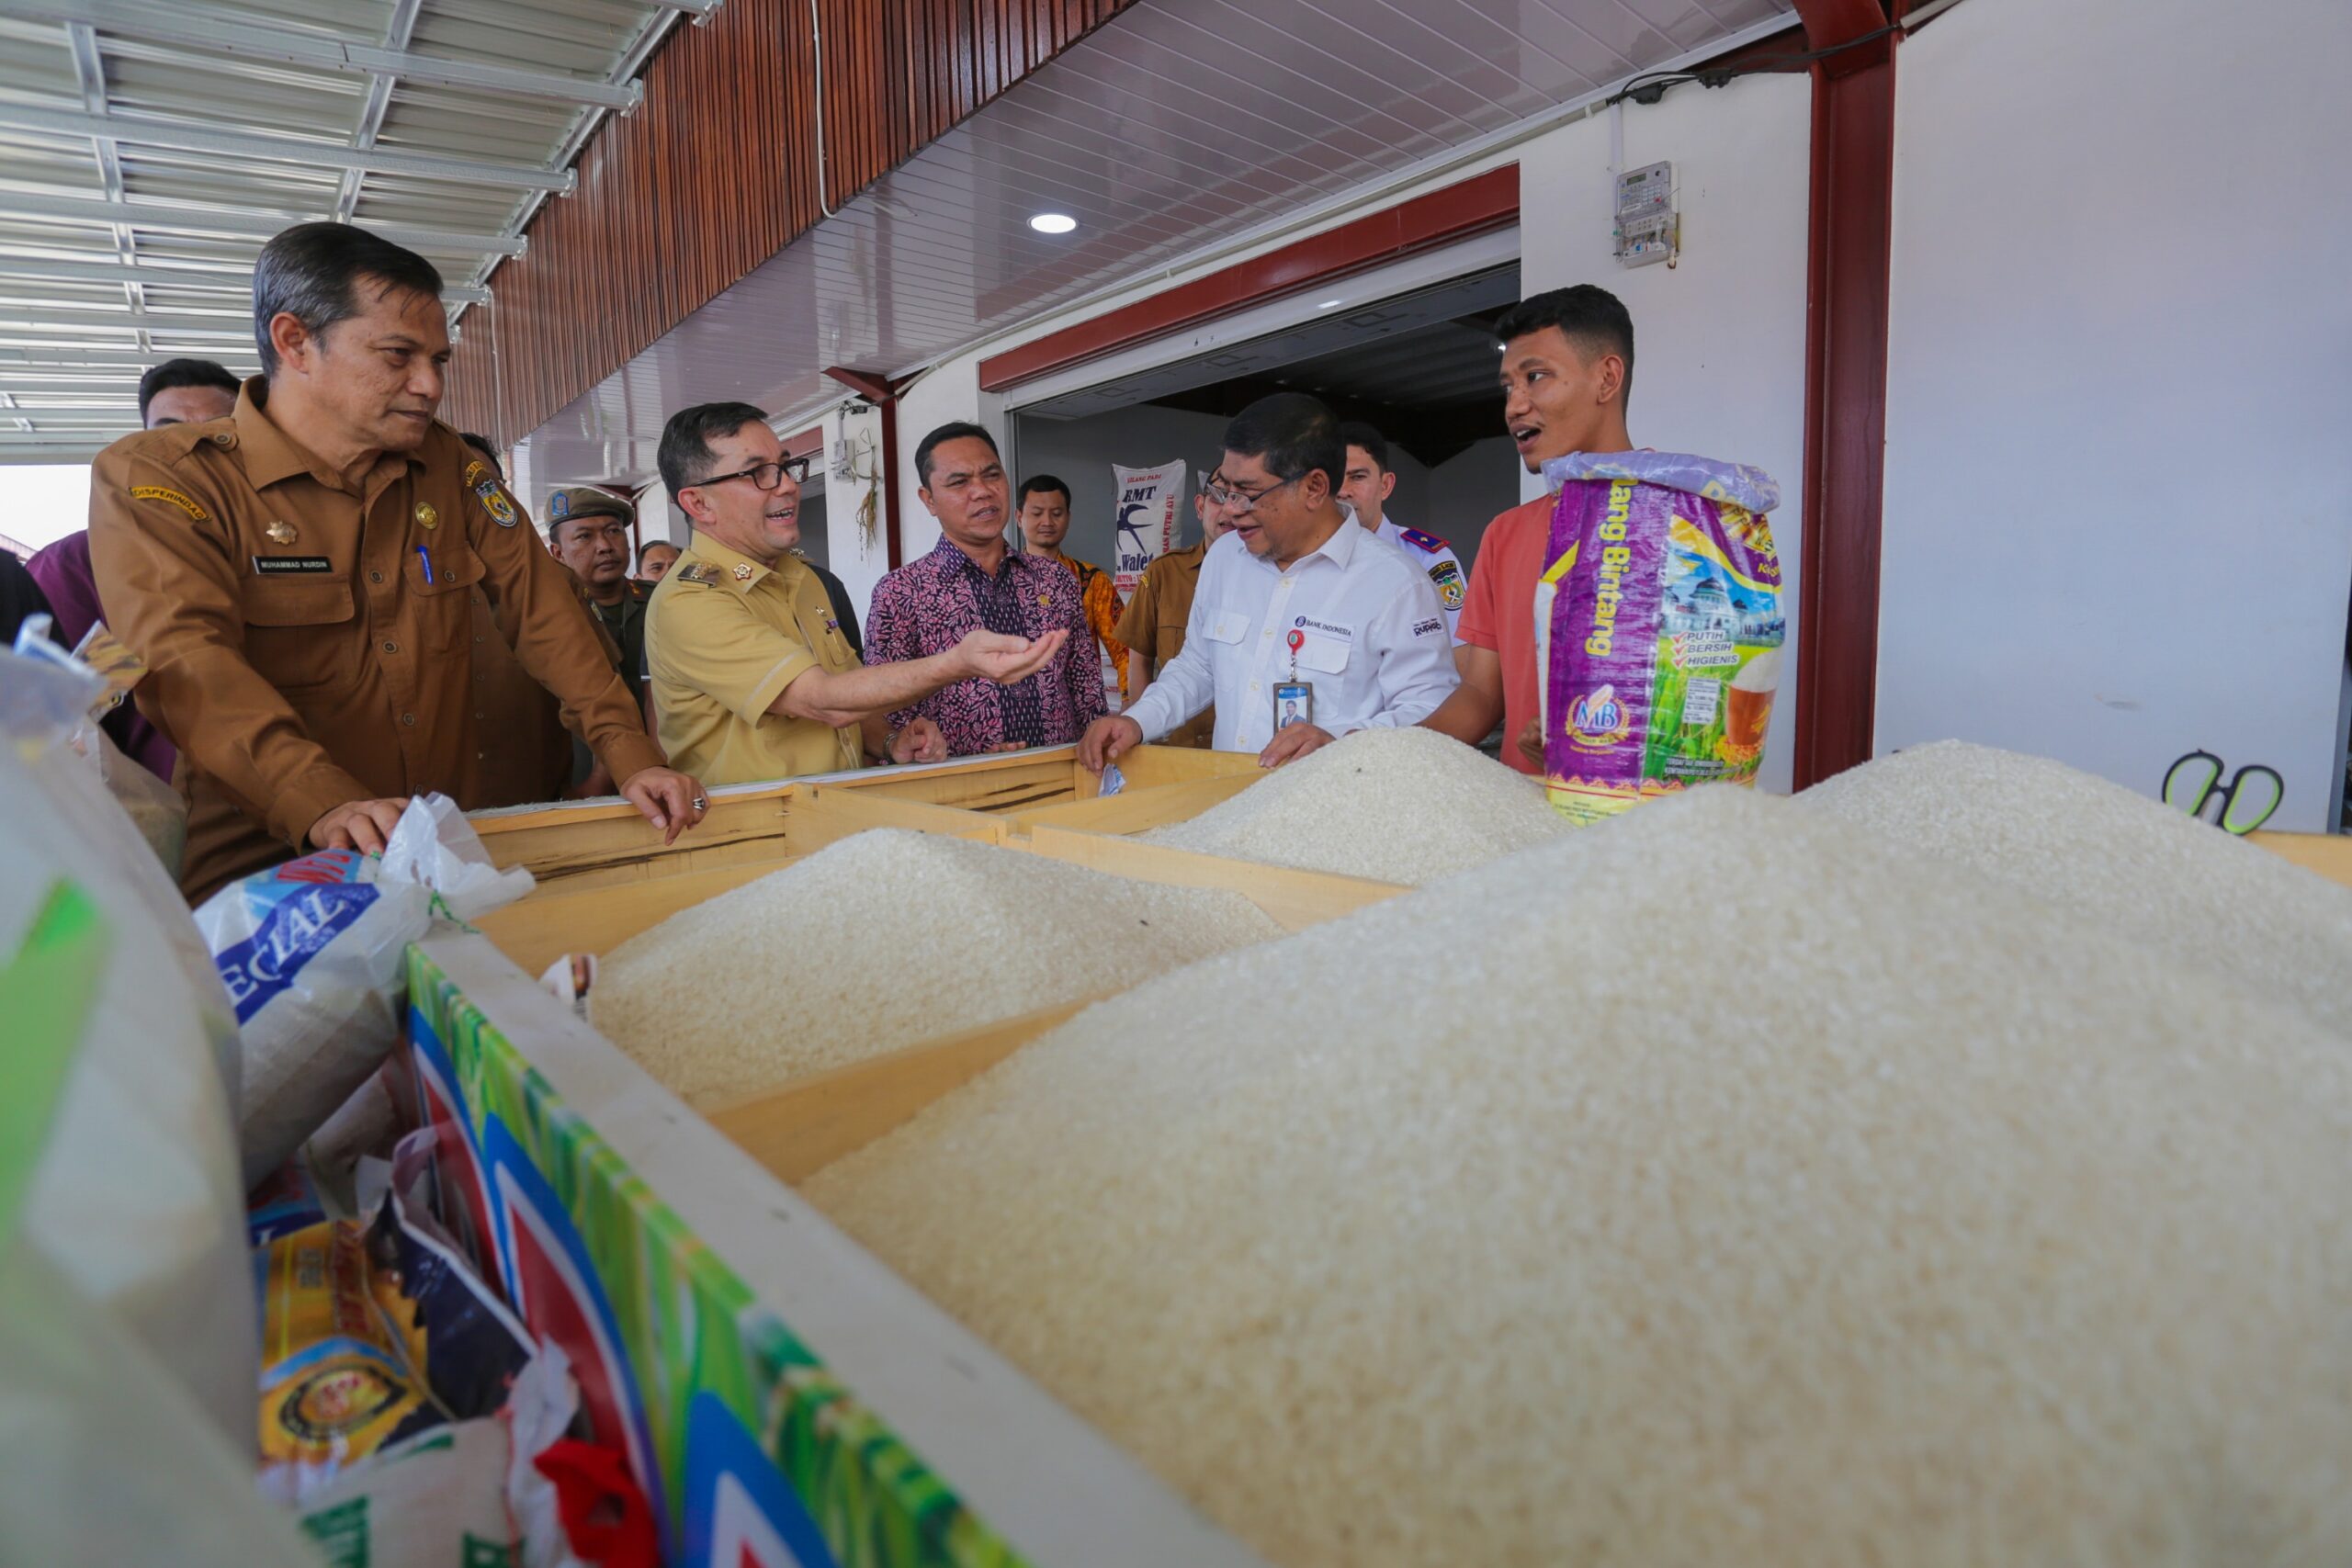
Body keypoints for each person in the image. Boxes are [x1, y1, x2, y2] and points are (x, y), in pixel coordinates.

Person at [87, 221, 704, 901]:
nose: (429, 385)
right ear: (295, 342)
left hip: (438, 851)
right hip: (268, 868)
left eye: (438, 360)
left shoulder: (449, 466)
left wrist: (629, 751)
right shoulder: (164, 479)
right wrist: (317, 798)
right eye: (397, 355)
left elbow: (544, 613)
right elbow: (184, 659)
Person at [645, 402, 1067, 786]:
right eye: (758, 473)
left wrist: (890, 743)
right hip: (760, 834)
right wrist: (957, 663)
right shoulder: (691, 601)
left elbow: (850, 694)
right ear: (698, 504)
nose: (788, 486)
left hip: (840, 818)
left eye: (786, 467)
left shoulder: (801, 577)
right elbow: (825, 700)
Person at [1080, 393, 1458, 773]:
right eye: (1225, 490)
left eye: (1248, 493)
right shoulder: (1226, 559)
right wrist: (1137, 720)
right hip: (1229, 801)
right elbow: (1197, 666)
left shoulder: (1396, 584)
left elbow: (1430, 711)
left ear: (1313, 488)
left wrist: (1344, 743)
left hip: (1335, 808)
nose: (1229, 509)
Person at [1420, 286, 1634, 775]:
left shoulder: (1683, 519)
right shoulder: (1505, 534)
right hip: (1526, 825)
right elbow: (1479, 696)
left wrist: (1593, 742)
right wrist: (1375, 756)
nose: (1514, 406)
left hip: (1642, 831)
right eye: (1507, 387)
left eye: (1535, 377)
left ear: (1606, 378)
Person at [26, 356, 244, 784]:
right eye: (167, 435)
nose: (191, 453)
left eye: (219, 433)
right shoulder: (71, 566)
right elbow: (53, 715)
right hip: (154, 812)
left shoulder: (287, 547)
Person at [864, 423, 1103, 756]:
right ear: (929, 499)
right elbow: (882, 707)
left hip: (1062, 777)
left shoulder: (1055, 578)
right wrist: (928, 750)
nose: (982, 491)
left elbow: (1086, 685)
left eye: (992, 475)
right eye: (959, 482)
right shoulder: (901, 592)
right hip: (959, 790)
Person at [1112, 473, 1237, 749]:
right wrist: (1142, 729)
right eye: (1218, 497)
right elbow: (1142, 660)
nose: (1228, 508)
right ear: (1200, 506)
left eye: (1238, 497)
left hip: (1240, 751)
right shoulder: (1165, 571)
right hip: (1178, 745)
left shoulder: (1269, 578)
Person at [1336, 421, 1468, 648]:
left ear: (1385, 485)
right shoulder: (1304, 559)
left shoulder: (1429, 560)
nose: (1343, 491)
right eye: (1335, 478)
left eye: (1357, 477)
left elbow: (1461, 652)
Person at [1016, 473, 1129, 703]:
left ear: (1068, 517)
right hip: (1017, 710)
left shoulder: (1091, 581)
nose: (1047, 522)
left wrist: (1130, 701)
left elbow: (1125, 650)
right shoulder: (998, 579)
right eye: (1037, 514)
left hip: (1078, 711)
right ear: (1019, 517)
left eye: (1056, 514)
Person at [546, 485, 651, 712]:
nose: (605, 546)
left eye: (613, 531)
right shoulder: (549, 617)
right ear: (558, 554)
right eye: (584, 536)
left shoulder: (661, 599)